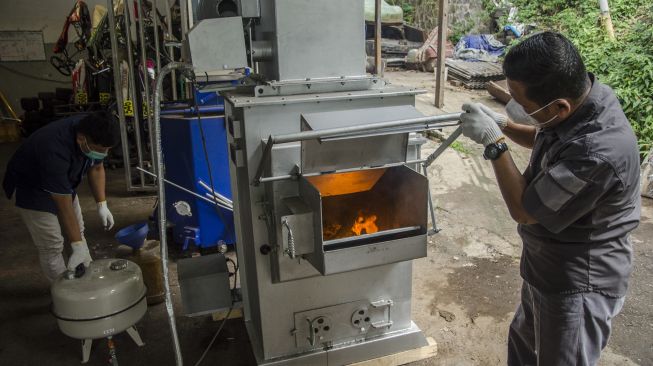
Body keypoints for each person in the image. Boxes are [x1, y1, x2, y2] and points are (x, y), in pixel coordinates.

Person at [459, 31, 640, 365]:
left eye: (524, 106)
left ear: (559, 106)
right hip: (546, 267)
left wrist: (495, 144)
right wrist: (504, 124)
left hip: (578, 282)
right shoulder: (585, 100)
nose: (518, 108)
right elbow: (549, 137)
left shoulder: (598, 153)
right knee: (525, 348)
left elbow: (524, 209)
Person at [3, 110, 120, 282]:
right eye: (100, 150)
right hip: (31, 188)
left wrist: (102, 204)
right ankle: (65, 295)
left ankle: (87, 281)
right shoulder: (53, 148)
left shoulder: (95, 129)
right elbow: (63, 203)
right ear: (82, 139)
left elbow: (96, 167)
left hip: (63, 182)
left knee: (78, 232)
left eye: (107, 150)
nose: (104, 154)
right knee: (52, 244)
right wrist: (77, 246)